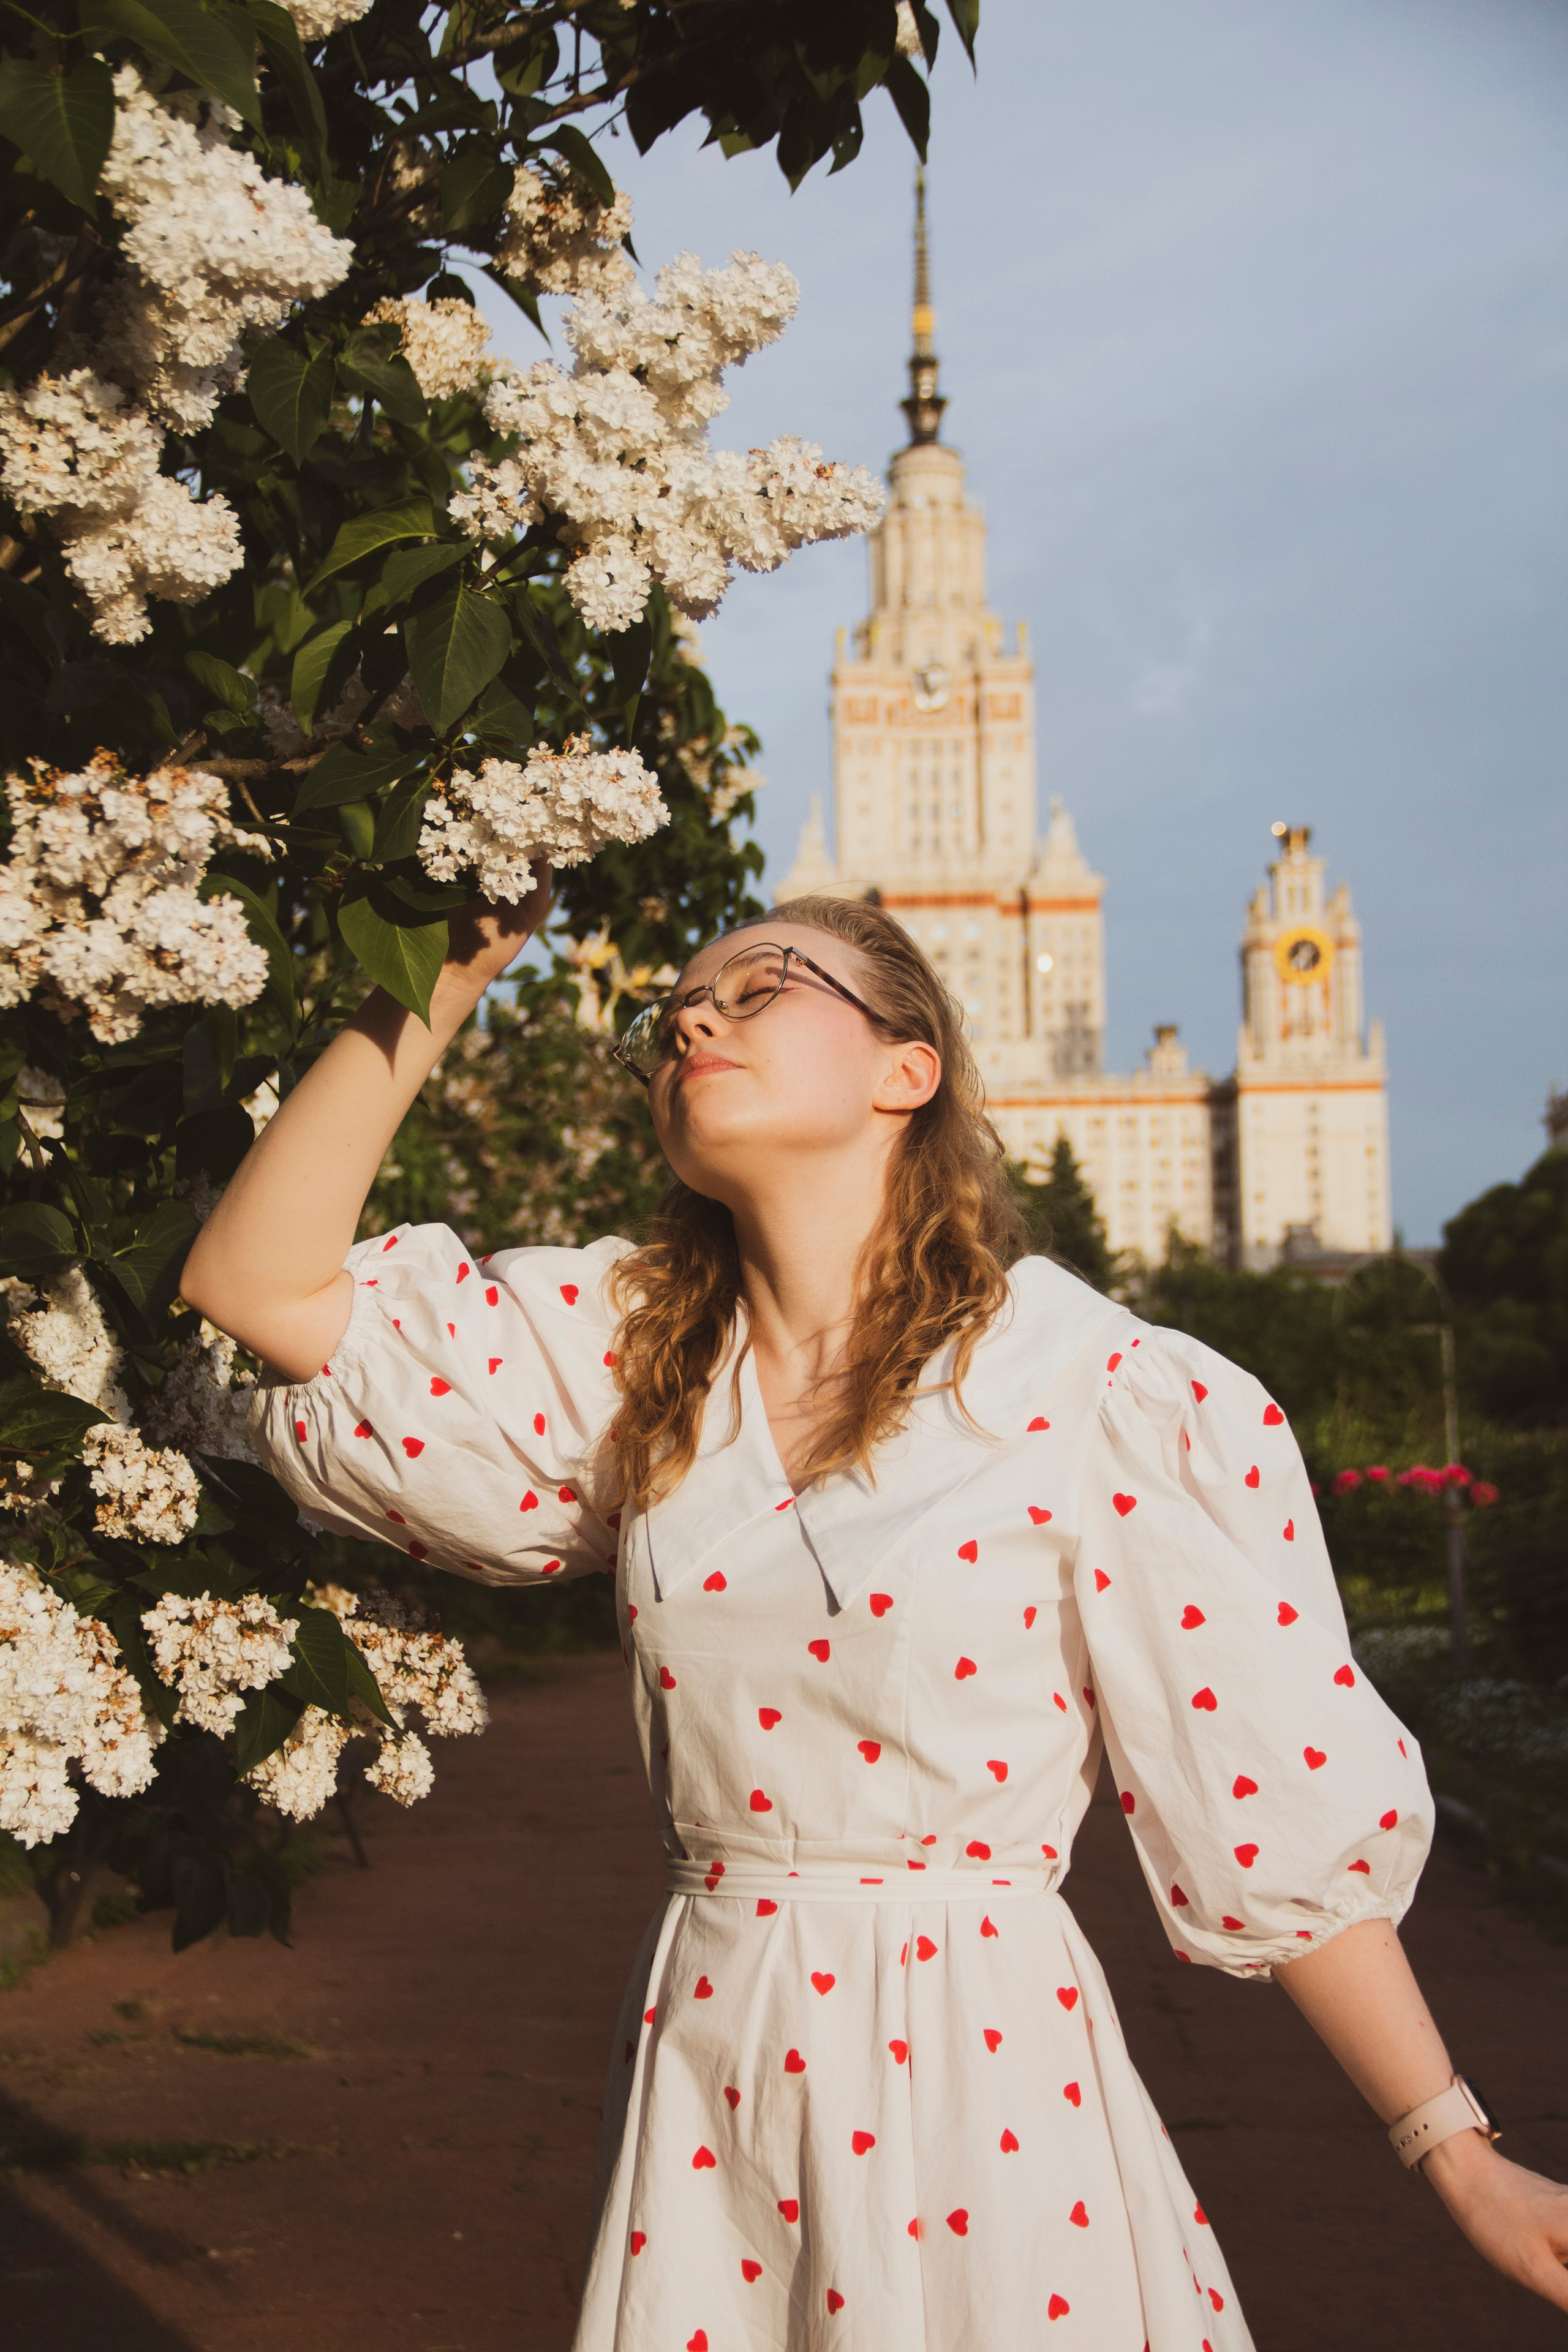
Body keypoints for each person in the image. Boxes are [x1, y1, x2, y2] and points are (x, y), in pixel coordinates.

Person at [183, 886, 1568, 2348]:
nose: (694, 1021)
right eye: (672, 1018)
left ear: (907, 1070)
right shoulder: (633, 1355)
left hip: (983, 2078)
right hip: (709, 2059)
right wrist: (443, 976)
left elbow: (1263, 1799)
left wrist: (1451, 2151)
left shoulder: (1090, 1390)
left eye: (761, 987)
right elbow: (254, 1282)